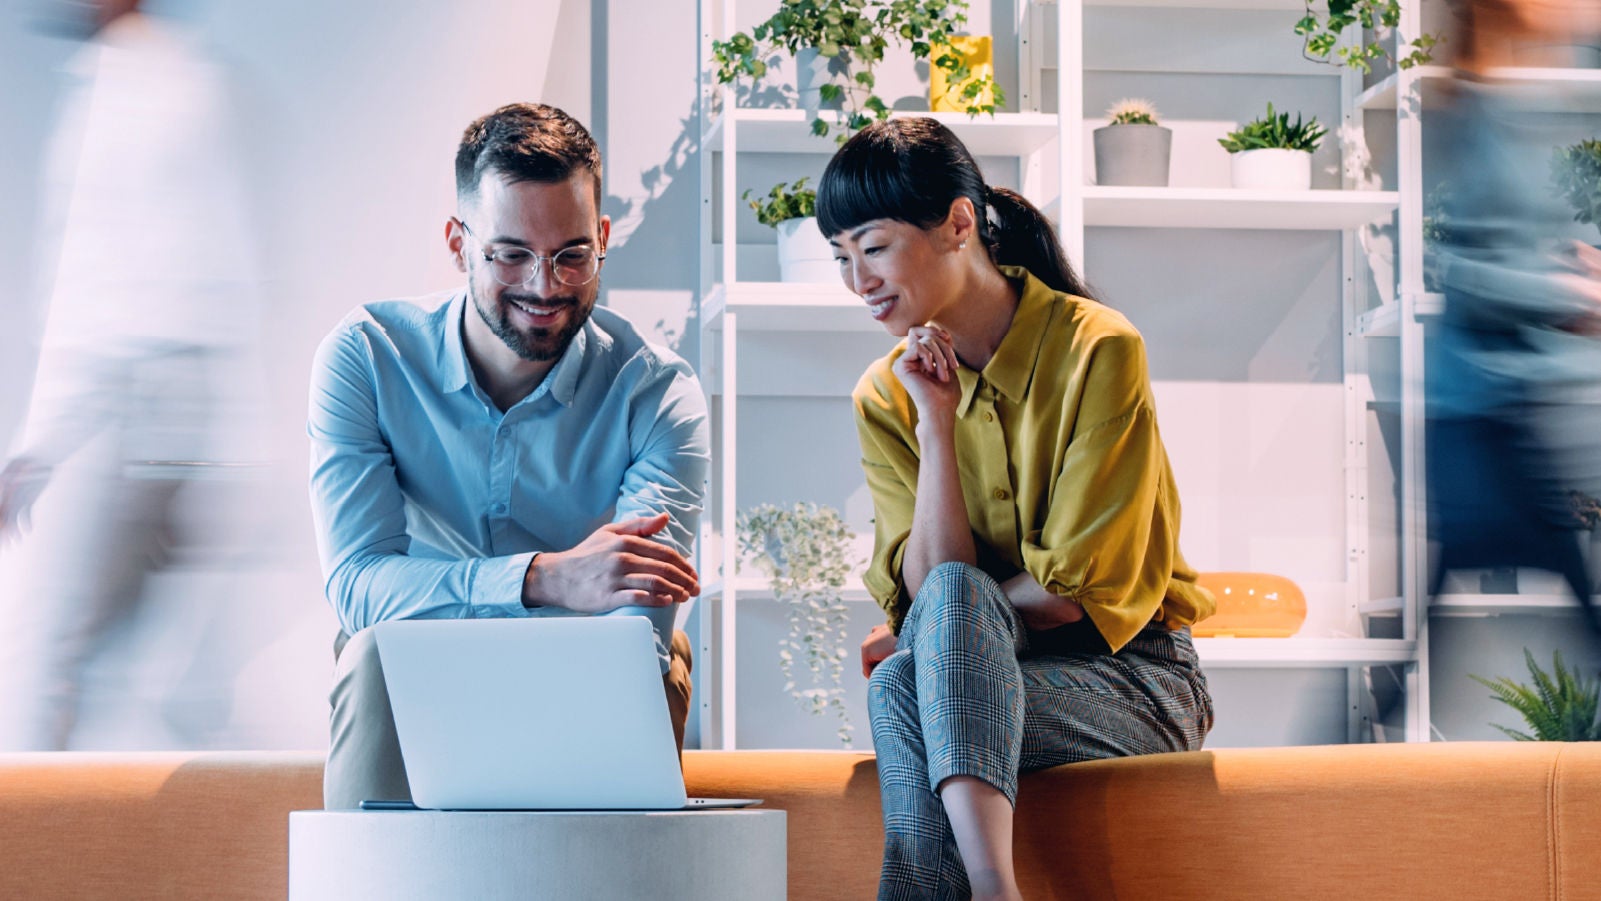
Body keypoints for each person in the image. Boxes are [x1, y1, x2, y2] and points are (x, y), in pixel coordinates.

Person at [819, 118, 1215, 900]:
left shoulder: (1097, 348)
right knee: (908, 674)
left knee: (935, 638)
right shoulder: (885, 392)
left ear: (958, 224)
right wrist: (934, 424)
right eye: (840, 257)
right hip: (989, 685)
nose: (856, 279)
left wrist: (931, 632)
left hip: (1132, 681)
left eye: (872, 246)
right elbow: (934, 591)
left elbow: (1068, 596)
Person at [308, 102, 709, 809]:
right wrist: (543, 579)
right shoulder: (367, 356)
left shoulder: (658, 392)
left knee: (648, 670)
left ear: (603, 238)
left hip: (592, 670)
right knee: (372, 652)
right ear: (459, 244)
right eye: (510, 253)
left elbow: (633, 625)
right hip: (416, 664)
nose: (545, 286)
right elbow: (358, 587)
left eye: (571, 255)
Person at [0, 0, 266, 750]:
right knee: (153, 660)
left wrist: (38, 443)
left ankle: (30, 857)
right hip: (183, 401)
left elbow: (90, 284)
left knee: (51, 646)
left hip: (136, 400)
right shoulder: (187, 79)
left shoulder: (128, 94)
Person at [1427, 0, 1601, 640]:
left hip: (1507, 404)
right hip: (1492, 409)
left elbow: (1502, 245)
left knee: (1438, 625)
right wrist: (1567, 294)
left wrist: (1572, 263)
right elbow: (1460, 270)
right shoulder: (1476, 111)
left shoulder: (1508, 103)